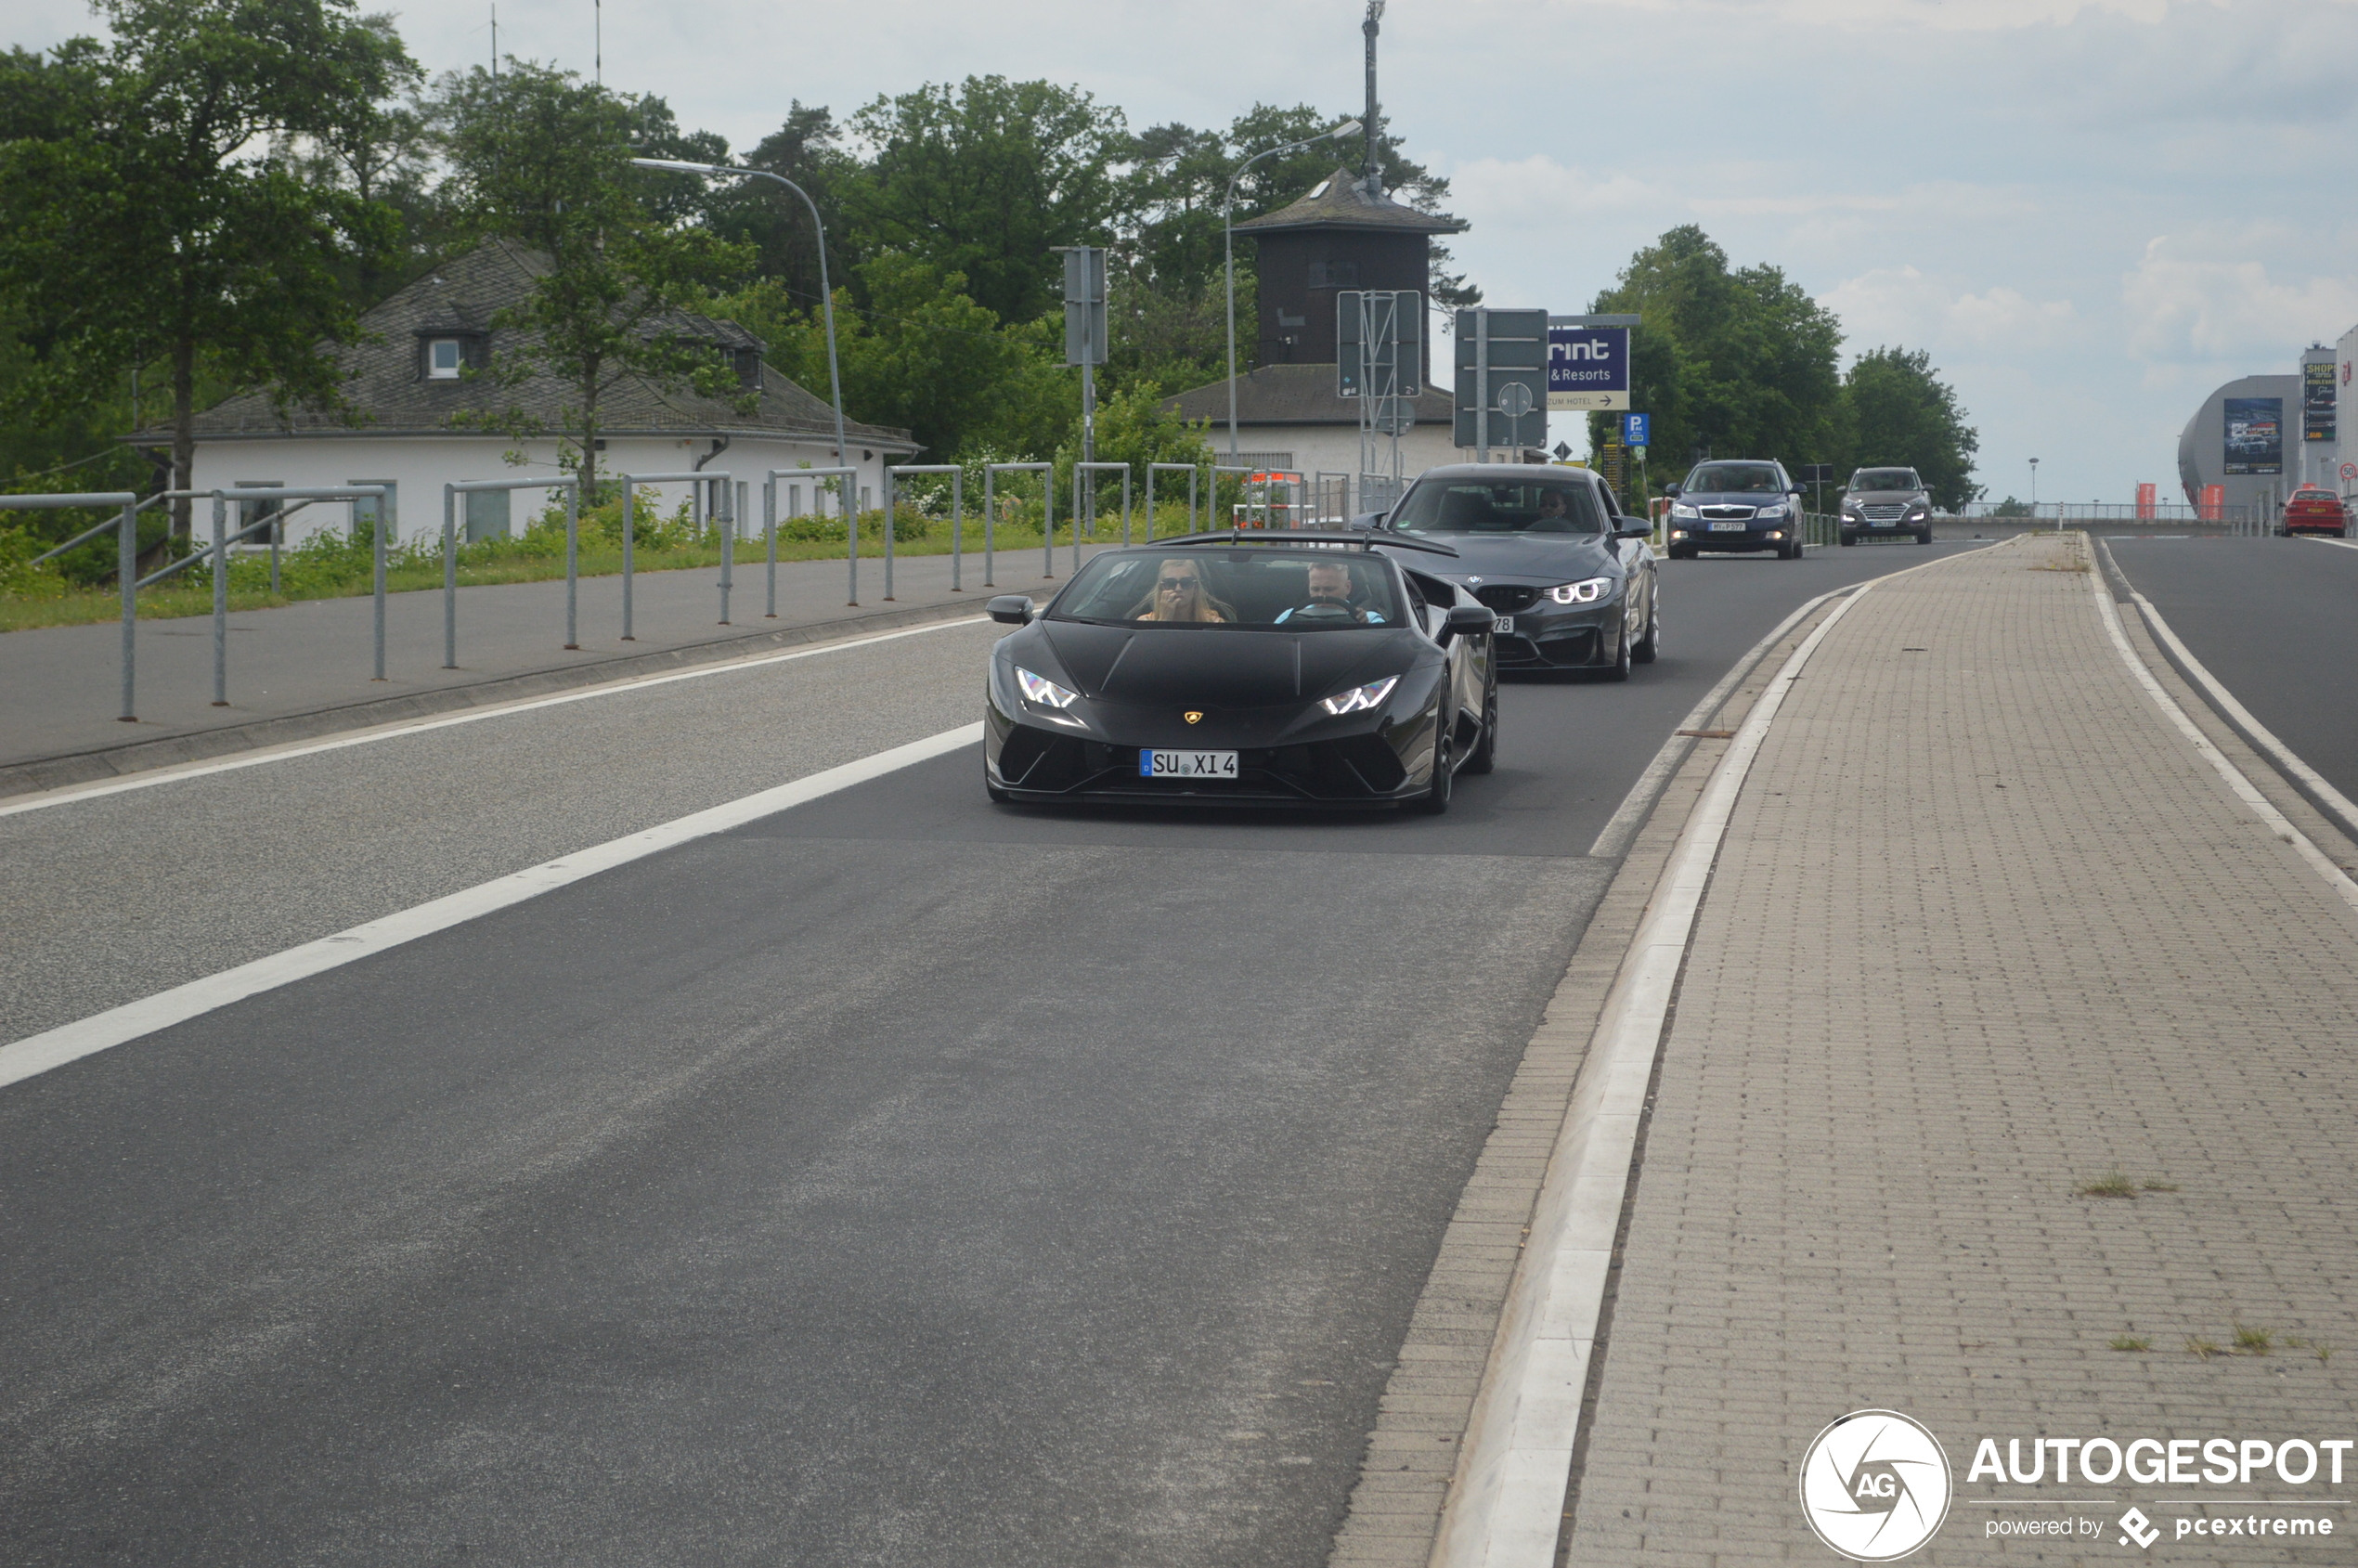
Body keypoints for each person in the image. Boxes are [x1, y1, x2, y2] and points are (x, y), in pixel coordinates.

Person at [1276, 560, 1384, 624]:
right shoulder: (1290, 617)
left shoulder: (1370, 620)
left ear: (1348, 587)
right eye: (1315, 589)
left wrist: (1366, 628)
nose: (1321, 595)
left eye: (1329, 589)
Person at [1135, 558, 1228, 622]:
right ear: (1161, 587)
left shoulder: (1213, 623)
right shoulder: (1145, 622)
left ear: (1195, 587)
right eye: (1170, 583)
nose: (1178, 589)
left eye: (1186, 583)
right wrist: (1163, 620)